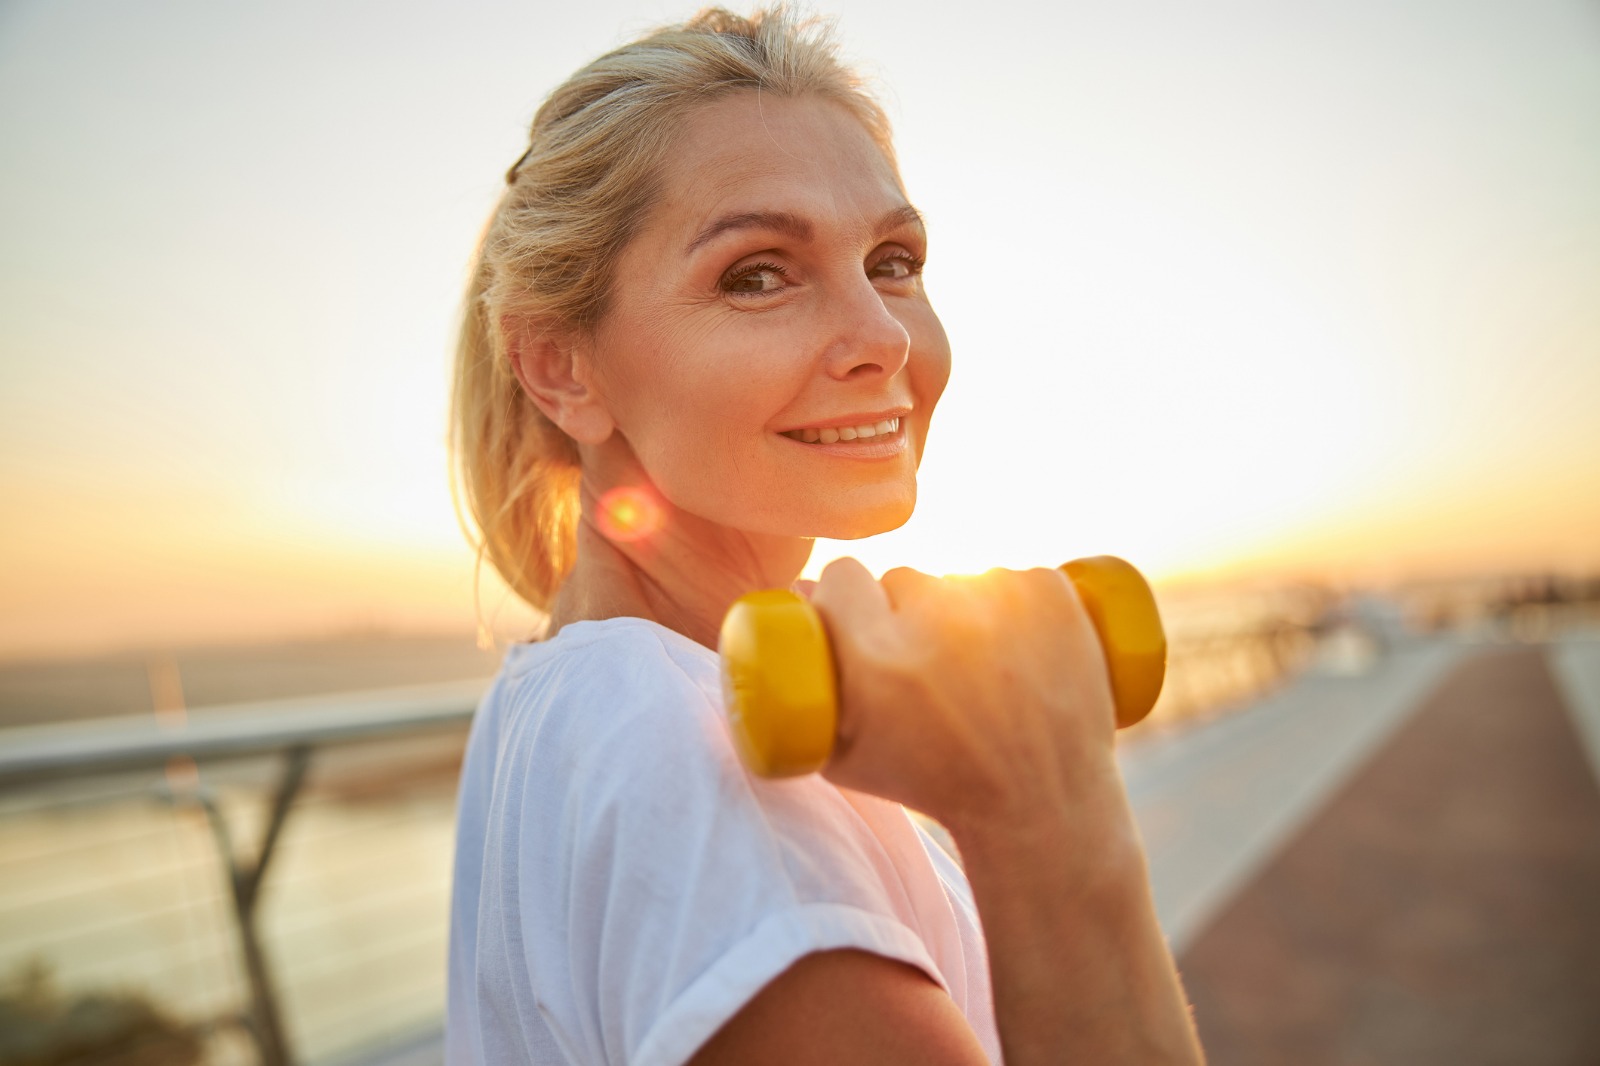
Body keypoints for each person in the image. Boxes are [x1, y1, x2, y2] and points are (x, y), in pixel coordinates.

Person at [445, 7, 1204, 1064]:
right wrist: (1044, 813)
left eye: (892, 259)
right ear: (562, 368)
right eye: (757, 273)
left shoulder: (561, 697)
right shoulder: (693, 769)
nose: (883, 337)